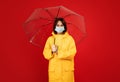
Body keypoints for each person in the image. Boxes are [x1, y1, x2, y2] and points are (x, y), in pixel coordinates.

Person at [43, 18, 77, 82]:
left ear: (64, 26)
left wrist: (58, 52)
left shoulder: (70, 39)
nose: (59, 27)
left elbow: (72, 53)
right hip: (54, 71)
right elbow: (45, 54)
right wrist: (52, 51)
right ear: (55, 26)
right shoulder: (50, 39)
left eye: (61, 25)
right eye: (57, 25)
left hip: (66, 72)